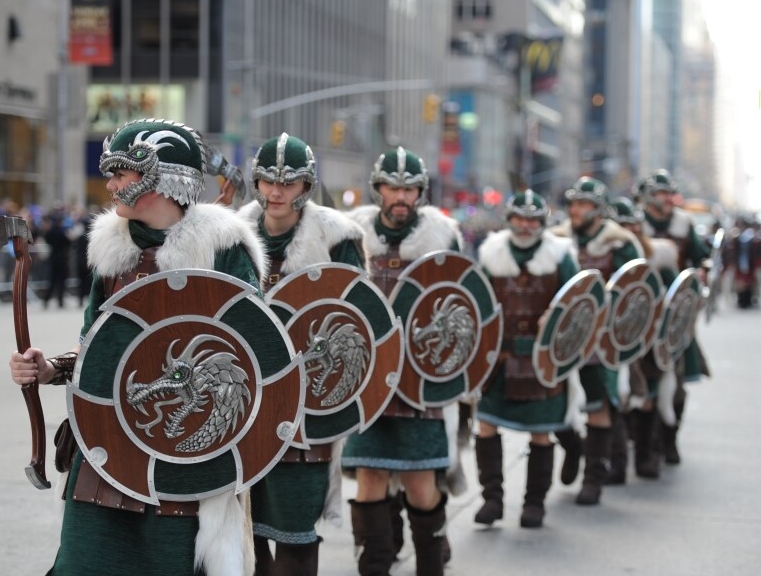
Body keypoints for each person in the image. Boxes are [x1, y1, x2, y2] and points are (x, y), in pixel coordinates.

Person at [8, 119, 265, 576]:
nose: (109, 184)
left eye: (121, 173)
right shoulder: (113, 253)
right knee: (83, 563)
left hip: (186, 450)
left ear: (162, 177)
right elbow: (95, 345)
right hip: (107, 439)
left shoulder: (224, 250)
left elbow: (253, 352)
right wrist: (51, 368)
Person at [237, 133, 366, 575]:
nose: (276, 191)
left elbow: (356, 320)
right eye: (268, 180)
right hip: (245, 399)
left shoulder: (337, 237)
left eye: (288, 182)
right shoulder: (231, 235)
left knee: (295, 522)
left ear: (306, 186)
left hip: (310, 399)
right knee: (244, 528)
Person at [342, 147, 461, 576]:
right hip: (368, 380)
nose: (400, 196)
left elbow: (460, 305)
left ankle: (431, 564)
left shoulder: (444, 237)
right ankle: (374, 566)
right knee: (370, 476)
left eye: (409, 188)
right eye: (392, 187)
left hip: (419, 378)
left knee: (420, 483)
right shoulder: (351, 235)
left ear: (419, 193)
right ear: (378, 189)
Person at [473, 190, 581, 529]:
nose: (525, 225)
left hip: (542, 360)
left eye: (532, 219)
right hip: (500, 358)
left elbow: (577, 309)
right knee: (486, 425)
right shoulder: (491, 254)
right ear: (509, 219)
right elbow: (476, 305)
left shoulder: (560, 256)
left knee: (541, 434)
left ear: (542, 222)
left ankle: (534, 504)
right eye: (519, 218)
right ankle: (492, 499)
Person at [550, 177, 643, 502]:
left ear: (598, 209)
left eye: (583, 204)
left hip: (600, 342)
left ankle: (594, 478)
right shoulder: (556, 242)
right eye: (573, 203)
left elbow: (633, 295)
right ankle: (573, 446)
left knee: (599, 404)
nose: (575, 210)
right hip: (561, 340)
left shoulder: (620, 244)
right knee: (549, 404)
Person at [637, 170, 711, 464]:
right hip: (639, 315)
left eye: (670, 194)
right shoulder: (634, 223)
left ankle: (669, 439)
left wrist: (702, 269)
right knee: (641, 383)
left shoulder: (683, 223)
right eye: (661, 194)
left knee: (676, 383)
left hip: (675, 315)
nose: (667, 199)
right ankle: (645, 445)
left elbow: (700, 255)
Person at [609, 197, 679, 481]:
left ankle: (646, 456)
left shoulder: (658, 257)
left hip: (648, 337)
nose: (629, 232)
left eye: (632, 226)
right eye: (622, 227)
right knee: (616, 399)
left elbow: (676, 297)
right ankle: (617, 462)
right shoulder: (602, 254)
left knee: (648, 398)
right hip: (611, 337)